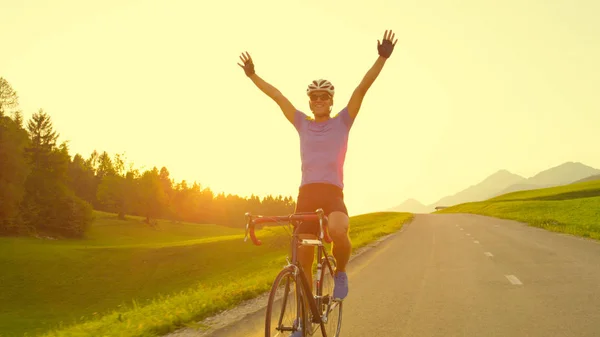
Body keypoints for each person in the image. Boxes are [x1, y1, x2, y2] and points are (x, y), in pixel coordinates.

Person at [238, 30, 397, 334]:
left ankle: (340, 272)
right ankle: (304, 316)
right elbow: (277, 96)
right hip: (306, 195)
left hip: (332, 193)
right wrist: (253, 76)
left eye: (324, 97)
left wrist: (382, 57)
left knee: (338, 229)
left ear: (331, 101)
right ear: (310, 103)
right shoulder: (301, 123)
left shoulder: (343, 121)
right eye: (314, 97)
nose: (319, 100)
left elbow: (362, 88)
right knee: (302, 260)